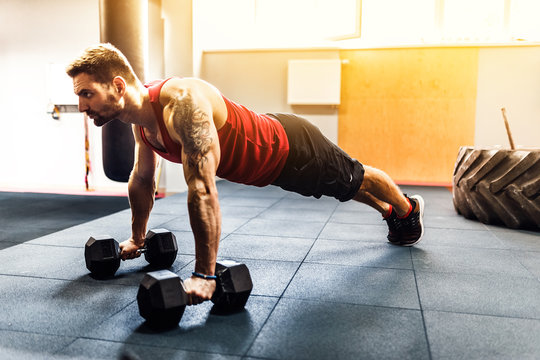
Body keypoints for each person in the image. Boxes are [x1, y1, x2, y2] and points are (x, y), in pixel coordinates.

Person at [66, 43, 425, 305]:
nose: (82, 106)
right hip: (271, 170)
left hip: (290, 146)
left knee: (354, 176)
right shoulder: (141, 126)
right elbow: (142, 180)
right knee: (340, 188)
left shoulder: (182, 103)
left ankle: (407, 210)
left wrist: (205, 275)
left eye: (86, 94)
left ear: (115, 85)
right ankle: (391, 213)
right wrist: (137, 238)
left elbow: (203, 188)